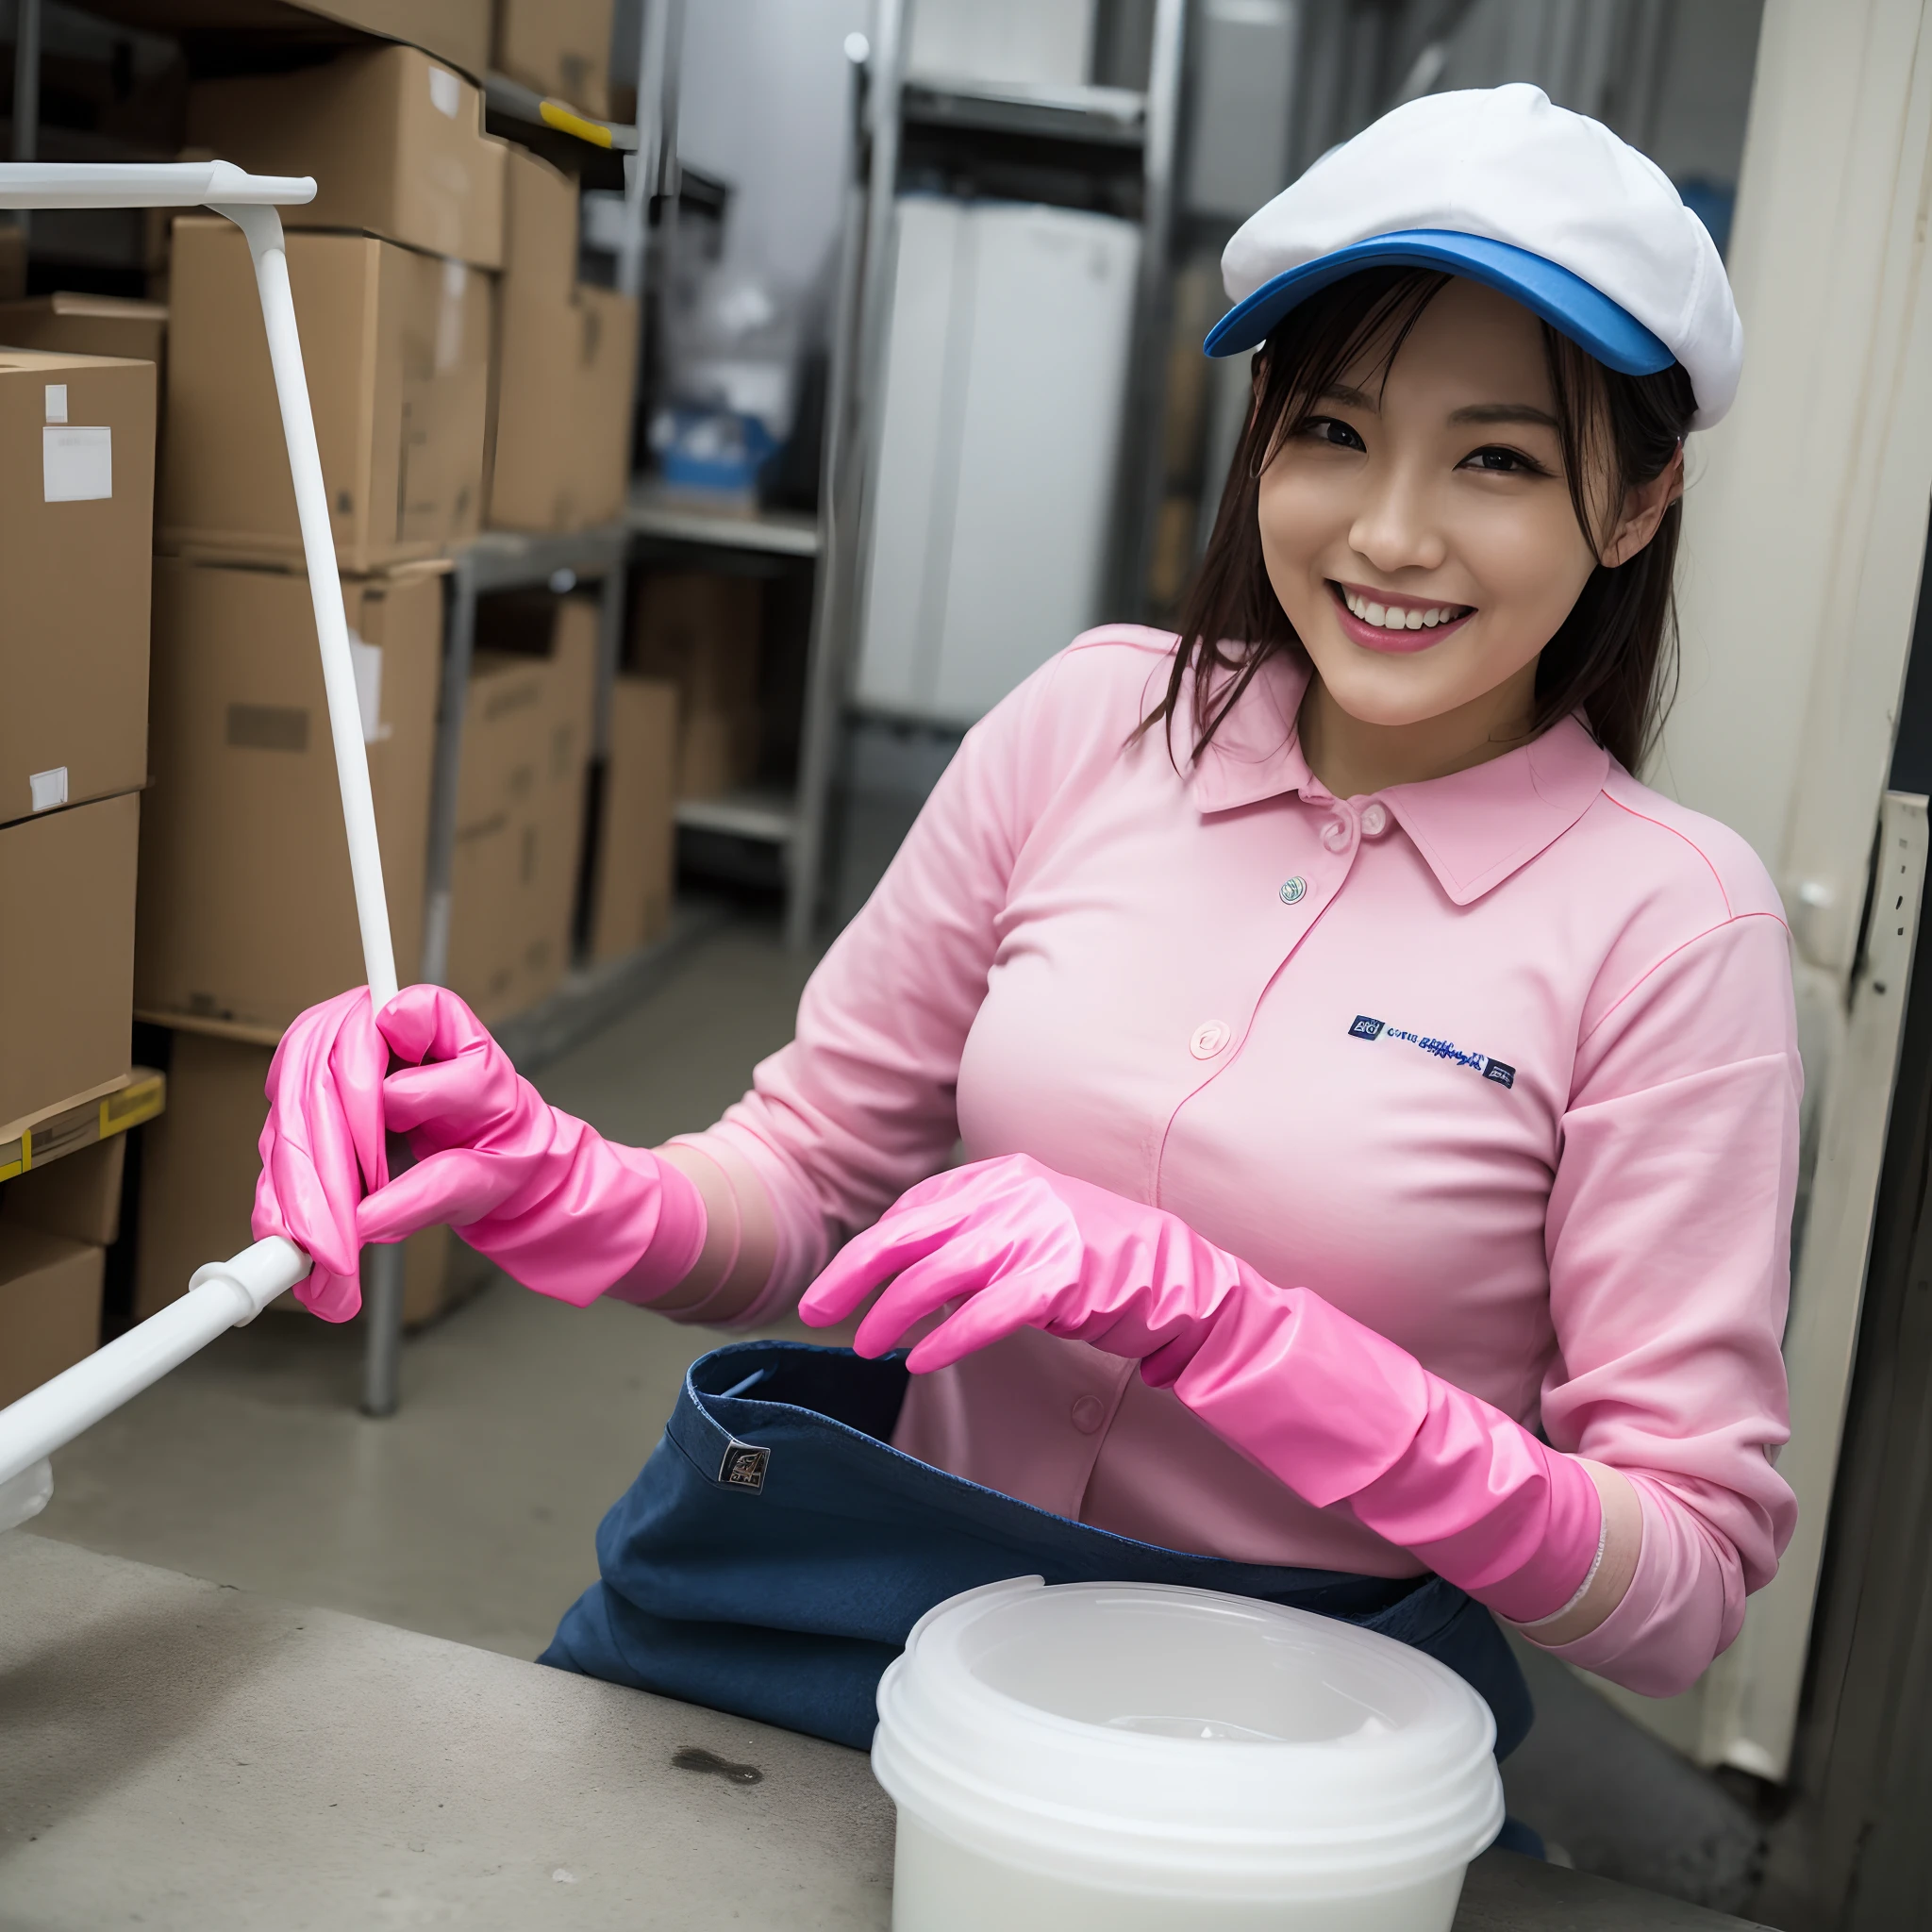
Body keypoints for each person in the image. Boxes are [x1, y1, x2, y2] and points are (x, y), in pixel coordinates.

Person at [257, 85, 1795, 1758]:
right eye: (1334, 432)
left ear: (1636, 506)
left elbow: (1685, 1581)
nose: (1391, 533)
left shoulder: (1671, 920)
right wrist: (555, 1174)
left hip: (1283, 1739)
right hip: (882, 1638)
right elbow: (801, 1182)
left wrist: (1239, 1332)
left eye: (1496, 458)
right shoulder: (1090, 727)